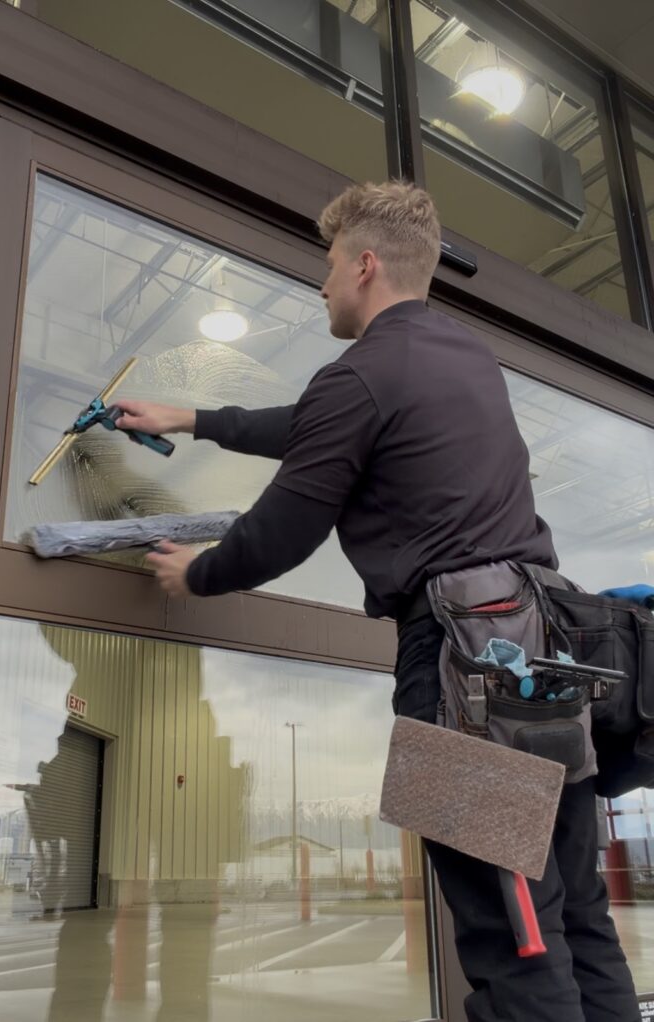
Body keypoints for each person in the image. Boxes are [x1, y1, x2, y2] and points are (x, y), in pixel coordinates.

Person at [113, 180, 640, 1022]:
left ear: (363, 265)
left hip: (462, 670)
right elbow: (318, 419)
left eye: (326, 267)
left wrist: (197, 573)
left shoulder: (358, 376)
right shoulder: (463, 357)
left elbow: (283, 530)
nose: (319, 285)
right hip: (542, 660)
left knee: (512, 940)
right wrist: (196, 417)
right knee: (574, 919)